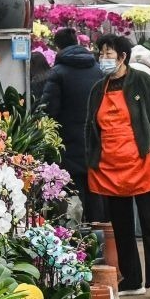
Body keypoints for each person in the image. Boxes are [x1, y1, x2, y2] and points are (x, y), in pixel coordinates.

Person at [85, 32, 150, 299]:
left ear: (122, 56)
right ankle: (131, 280)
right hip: (110, 166)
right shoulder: (97, 89)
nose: (104, 58)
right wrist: (92, 159)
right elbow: (89, 127)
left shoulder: (142, 81)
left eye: (109, 54)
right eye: (101, 54)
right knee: (122, 226)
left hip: (140, 161)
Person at [39, 27, 101, 217]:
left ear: (57, 46)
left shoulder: (58, 73)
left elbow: (49, 110)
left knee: (72, 190)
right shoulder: (98, 70)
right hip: (96, 139)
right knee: (95, 190)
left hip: (68, 142)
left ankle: (77, 238)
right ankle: (98, 233)